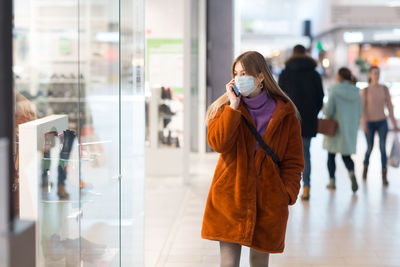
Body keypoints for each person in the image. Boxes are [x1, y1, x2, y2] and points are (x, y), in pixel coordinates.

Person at [202, 51, 304, 267]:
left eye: (245, 73)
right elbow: (218, 144)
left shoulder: (286, 114)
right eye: (236, 73)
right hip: (231, 197)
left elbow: (293, 162)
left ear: (260, 77)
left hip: (267, 200)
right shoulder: (224, 108)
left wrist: (286, 193)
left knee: (259, 263)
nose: (239, 78)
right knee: (228, 264)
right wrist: (233, 107)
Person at [278, 44, 324, 200]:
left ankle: (285, 187)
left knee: (285, 154)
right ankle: (306, 187)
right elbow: (320, 98)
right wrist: (312, 113)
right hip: (308, 120)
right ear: (306, 54)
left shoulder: (285, 73)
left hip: (289, 119)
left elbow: (280, 97)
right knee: (305, 153)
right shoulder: (314, 74)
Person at [323, 67, 361, 192]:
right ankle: (351, 173)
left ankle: (332, 181)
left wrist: (323, 108)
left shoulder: (334, 91)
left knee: (331, 156)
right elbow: (360, 112)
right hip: (348, 129)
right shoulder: (356, 93)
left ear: (339, 77)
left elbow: (328, 111)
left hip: (334, 129)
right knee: (346, 156)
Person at [361, 66, 399, 185]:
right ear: (370, 75)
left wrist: (394, 123)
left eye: (378, 73)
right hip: (370, 123)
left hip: (382, 121)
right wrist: (363, 124)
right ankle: (365, 167)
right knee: (370, 148)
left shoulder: (384, 89)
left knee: (383, 148)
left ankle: (384, 175)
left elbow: (390, 107)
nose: (376, 75)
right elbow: (362, 109)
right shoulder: (365, 90)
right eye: (374, 73)